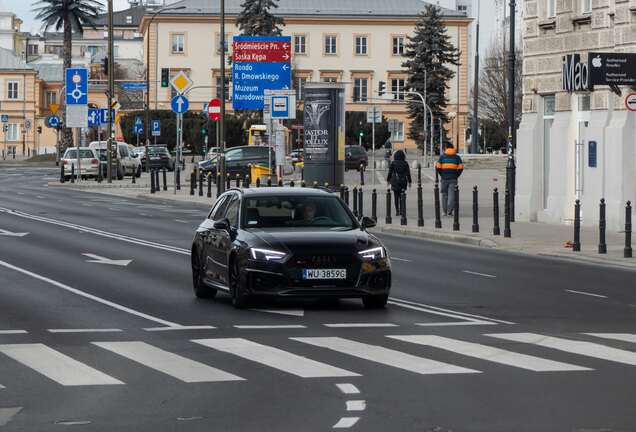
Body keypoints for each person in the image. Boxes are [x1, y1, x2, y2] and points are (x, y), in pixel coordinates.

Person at [436, 143, 464, 216]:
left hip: (444, 178)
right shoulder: (457, 157)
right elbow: (461, 168)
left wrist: (442, 174)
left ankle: (444, 212)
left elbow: (438, 167)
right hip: (453, 178)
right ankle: (449, 211)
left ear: (446, 148)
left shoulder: (442, 157)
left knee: (444, 195)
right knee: (452, 195)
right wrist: (456, 175)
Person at [386, 150, 412, 216]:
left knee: (396, 197)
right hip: (403, 181)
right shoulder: (405, 163)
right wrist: (410, 182)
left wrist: (388, 180)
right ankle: (402, 210)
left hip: (395, 181)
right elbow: (408, 173)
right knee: (402, 196)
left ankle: (397, 211)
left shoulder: (393, 163)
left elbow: (390, 173)